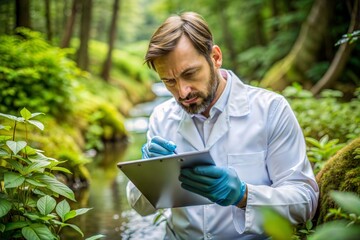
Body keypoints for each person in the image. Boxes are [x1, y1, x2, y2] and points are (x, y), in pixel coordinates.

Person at [126, 11, 319, 239]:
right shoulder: (161, 116)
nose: (182, 92)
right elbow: (140, 207)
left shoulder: (271, 110)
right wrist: (149, 175)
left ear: (215, 57)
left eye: (190, 73)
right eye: (169, 81)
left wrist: (244, 196)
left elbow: (306, 200)